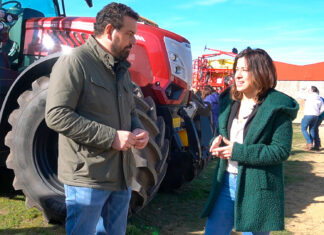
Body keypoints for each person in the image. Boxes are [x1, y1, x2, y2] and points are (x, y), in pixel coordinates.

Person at [45, 3, 149, 235]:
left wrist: (139, 129)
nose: (134, 41)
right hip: (87, 177)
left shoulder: (122, 69)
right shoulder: (75, 62)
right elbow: (56, 115)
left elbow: (130, 111)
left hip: (120, 174)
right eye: (129, 34)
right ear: (110, 30)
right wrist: (110, 137)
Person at [201, 48, 299, 235]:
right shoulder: (229, 101)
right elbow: (223, 135)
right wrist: (217, 141)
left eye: (244, 70)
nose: (237, 75)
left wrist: (238, 152)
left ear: (260, 71)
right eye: (236, 70)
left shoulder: (277, 107)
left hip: (258, 187)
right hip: (226, 182)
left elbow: (280, 150)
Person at [300, 86, 324, 150]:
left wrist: (302, 89)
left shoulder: (309, 96)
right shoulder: (320, 98)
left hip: (309, 114)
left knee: (303, 128)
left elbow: (301, 95)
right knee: (313, 130)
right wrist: (317, 114)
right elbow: (322, 109)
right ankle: (313, 145)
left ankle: (310, 143)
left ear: (312, 91)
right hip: (317, 116)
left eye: (309, 90)